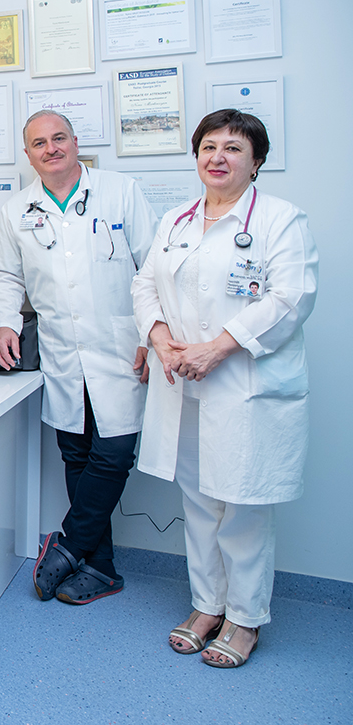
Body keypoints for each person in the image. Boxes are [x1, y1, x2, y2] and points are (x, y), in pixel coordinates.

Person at [132, 110, 318, 668]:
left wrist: (217, 348)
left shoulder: (281, 219)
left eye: (233, 148)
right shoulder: (177, 220)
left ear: (256, 161)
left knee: (242, 504)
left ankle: (244, 617)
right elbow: (145, 284)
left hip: (243, 384)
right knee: (197, 499)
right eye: (208, 146)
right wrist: (160, 339)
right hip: (182, 382)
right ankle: (207, 604)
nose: (218, 157)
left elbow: (291, 297)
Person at [0, 110, 158, 604]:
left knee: (114, 453)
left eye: (59, 138)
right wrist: (4, 324)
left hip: (121, 345)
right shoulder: (16, 210)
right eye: (40, 143)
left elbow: (154, 269)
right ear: (28, 154)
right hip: (62, 348)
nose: (51, 148)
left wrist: (154, 335)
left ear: (76, 142)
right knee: (76, 453)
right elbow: (6, 276)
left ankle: (68, 546)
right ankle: (101, 567)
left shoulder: (119, 191)